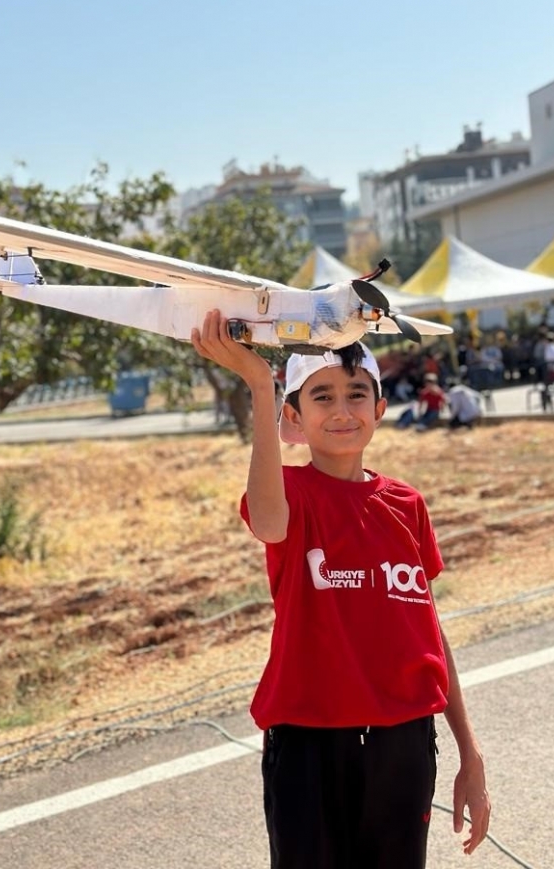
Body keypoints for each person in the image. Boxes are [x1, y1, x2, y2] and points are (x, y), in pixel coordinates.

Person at [192, 311, 490, 869]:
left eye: (356, 394)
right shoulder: (292, 495)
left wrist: (469, 753)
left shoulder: (407, 504)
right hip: (308, 742)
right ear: (294, 417)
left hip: (402, 744)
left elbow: (428, 630)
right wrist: (260, 384)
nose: (342, 410)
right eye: (321, 397)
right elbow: (269, 521)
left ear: (379, 409)